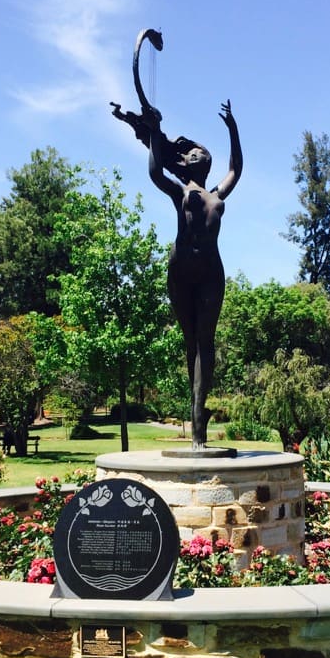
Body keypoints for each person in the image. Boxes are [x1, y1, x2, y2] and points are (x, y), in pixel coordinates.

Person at [140, 101, 242, 448]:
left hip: (211, 271)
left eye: (200, 152)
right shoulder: (181, 192)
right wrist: (154, 132)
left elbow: (236, 169)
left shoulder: (217, 194)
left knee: (205, 341)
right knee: (190, 343)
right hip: (181, 269)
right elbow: (155, 174)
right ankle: (196, 414)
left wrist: (233, 129)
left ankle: (199, 414)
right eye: (192, 153)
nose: (196, 153)